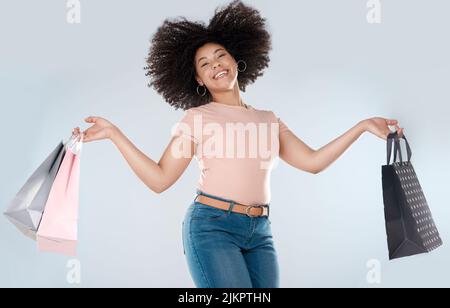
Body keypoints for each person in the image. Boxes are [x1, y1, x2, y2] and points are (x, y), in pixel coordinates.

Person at [72, 0, 404, 288]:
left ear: (237, 59)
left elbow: (313, 162)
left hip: (260, 232)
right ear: (199, 80)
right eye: (205, 64)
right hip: (211, 227)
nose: (216, 64)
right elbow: (160, 179)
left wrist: (360, 128)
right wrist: (115, 134)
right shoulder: (197, 118)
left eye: (220, 55)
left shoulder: (269, 119)